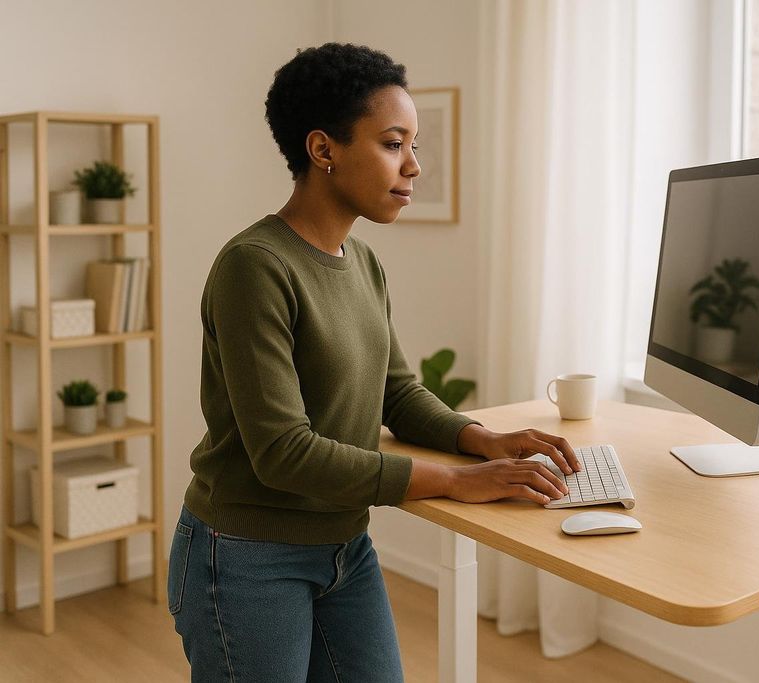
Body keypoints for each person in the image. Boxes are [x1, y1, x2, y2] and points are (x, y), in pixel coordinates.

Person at [167, 43, 582, 683]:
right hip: (248, 553)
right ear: (323, 149)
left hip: (343, 546)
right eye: (394, 144)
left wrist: (482, 440)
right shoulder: (254, 267)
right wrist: (453, 481)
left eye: (413, 145)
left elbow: (398, 392)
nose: (414, 167)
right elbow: (281, 450)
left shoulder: (362, 263)